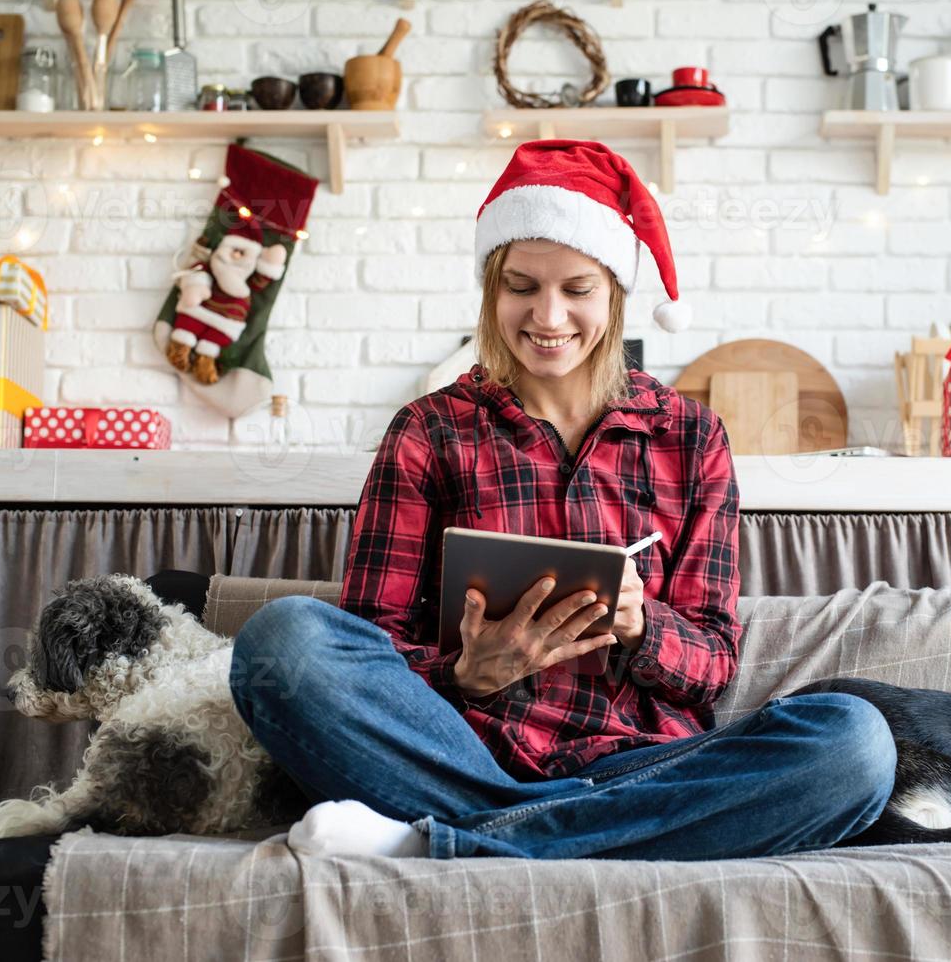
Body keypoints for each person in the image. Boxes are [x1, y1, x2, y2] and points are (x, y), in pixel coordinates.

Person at [228, 139, 895, 860]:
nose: (547, 317)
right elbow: (370, 641)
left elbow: (713, 663)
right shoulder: (429, 431)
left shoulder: (690, 435)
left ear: (612, 291)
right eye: (521, 286)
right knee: (284, 638)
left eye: (576, 289)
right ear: (491, 289)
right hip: (462, 754)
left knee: (852, 742)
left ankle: (451, 839)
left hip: (639, 767)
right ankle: (537, 831)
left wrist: (644, 626)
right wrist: (462, 673)